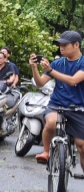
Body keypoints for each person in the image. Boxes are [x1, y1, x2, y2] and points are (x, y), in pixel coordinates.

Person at [30, 31, 84, 165]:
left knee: (82, 147)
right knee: (51, 122)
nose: (61, 47)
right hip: (56, 105)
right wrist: (34, 68)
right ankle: (46, 152)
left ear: (76, 45)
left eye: (65, 45)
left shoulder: (82, 63)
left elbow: (73, 81)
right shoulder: (57, 63)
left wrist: (50, 71)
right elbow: (40, 83)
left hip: (78, 107)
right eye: (60, 44)